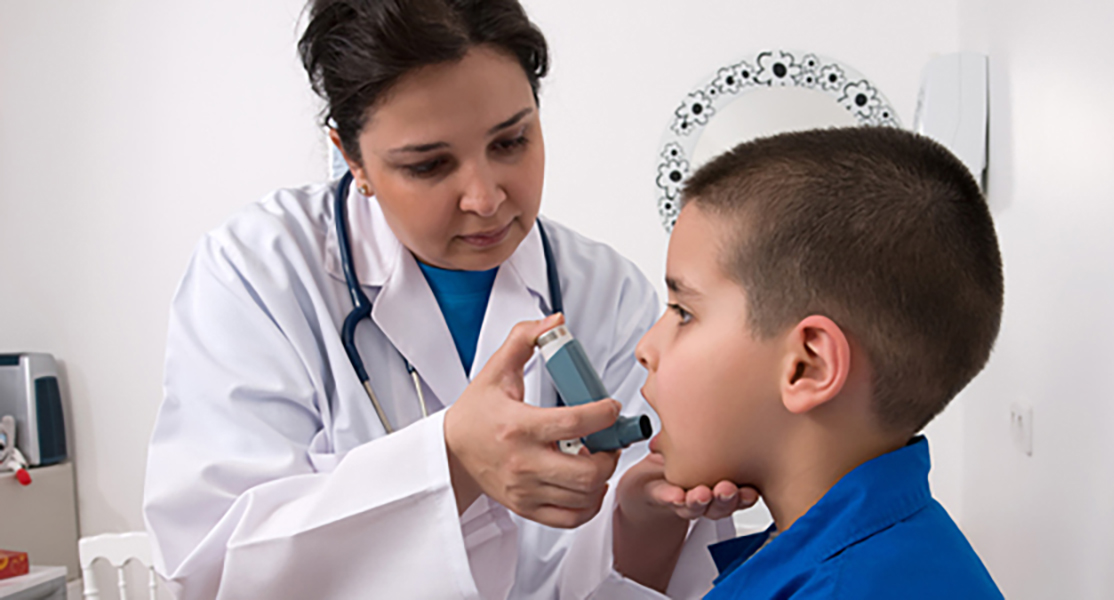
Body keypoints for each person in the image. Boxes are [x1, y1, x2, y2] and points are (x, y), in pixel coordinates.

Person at [142, 1, 756, 598]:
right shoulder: (260, 272)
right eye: (431, 165)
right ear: (350, 155)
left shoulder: (604, 288)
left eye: (511, 142)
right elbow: (210, 570)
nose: (485, 198)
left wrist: (645, 515)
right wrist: (450, 461)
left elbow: (612, 584)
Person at [634, 127, 1006, 598]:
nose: (645, 348)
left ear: (807, 366)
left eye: (684, 313)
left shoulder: (838, 586)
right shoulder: (898, 553)